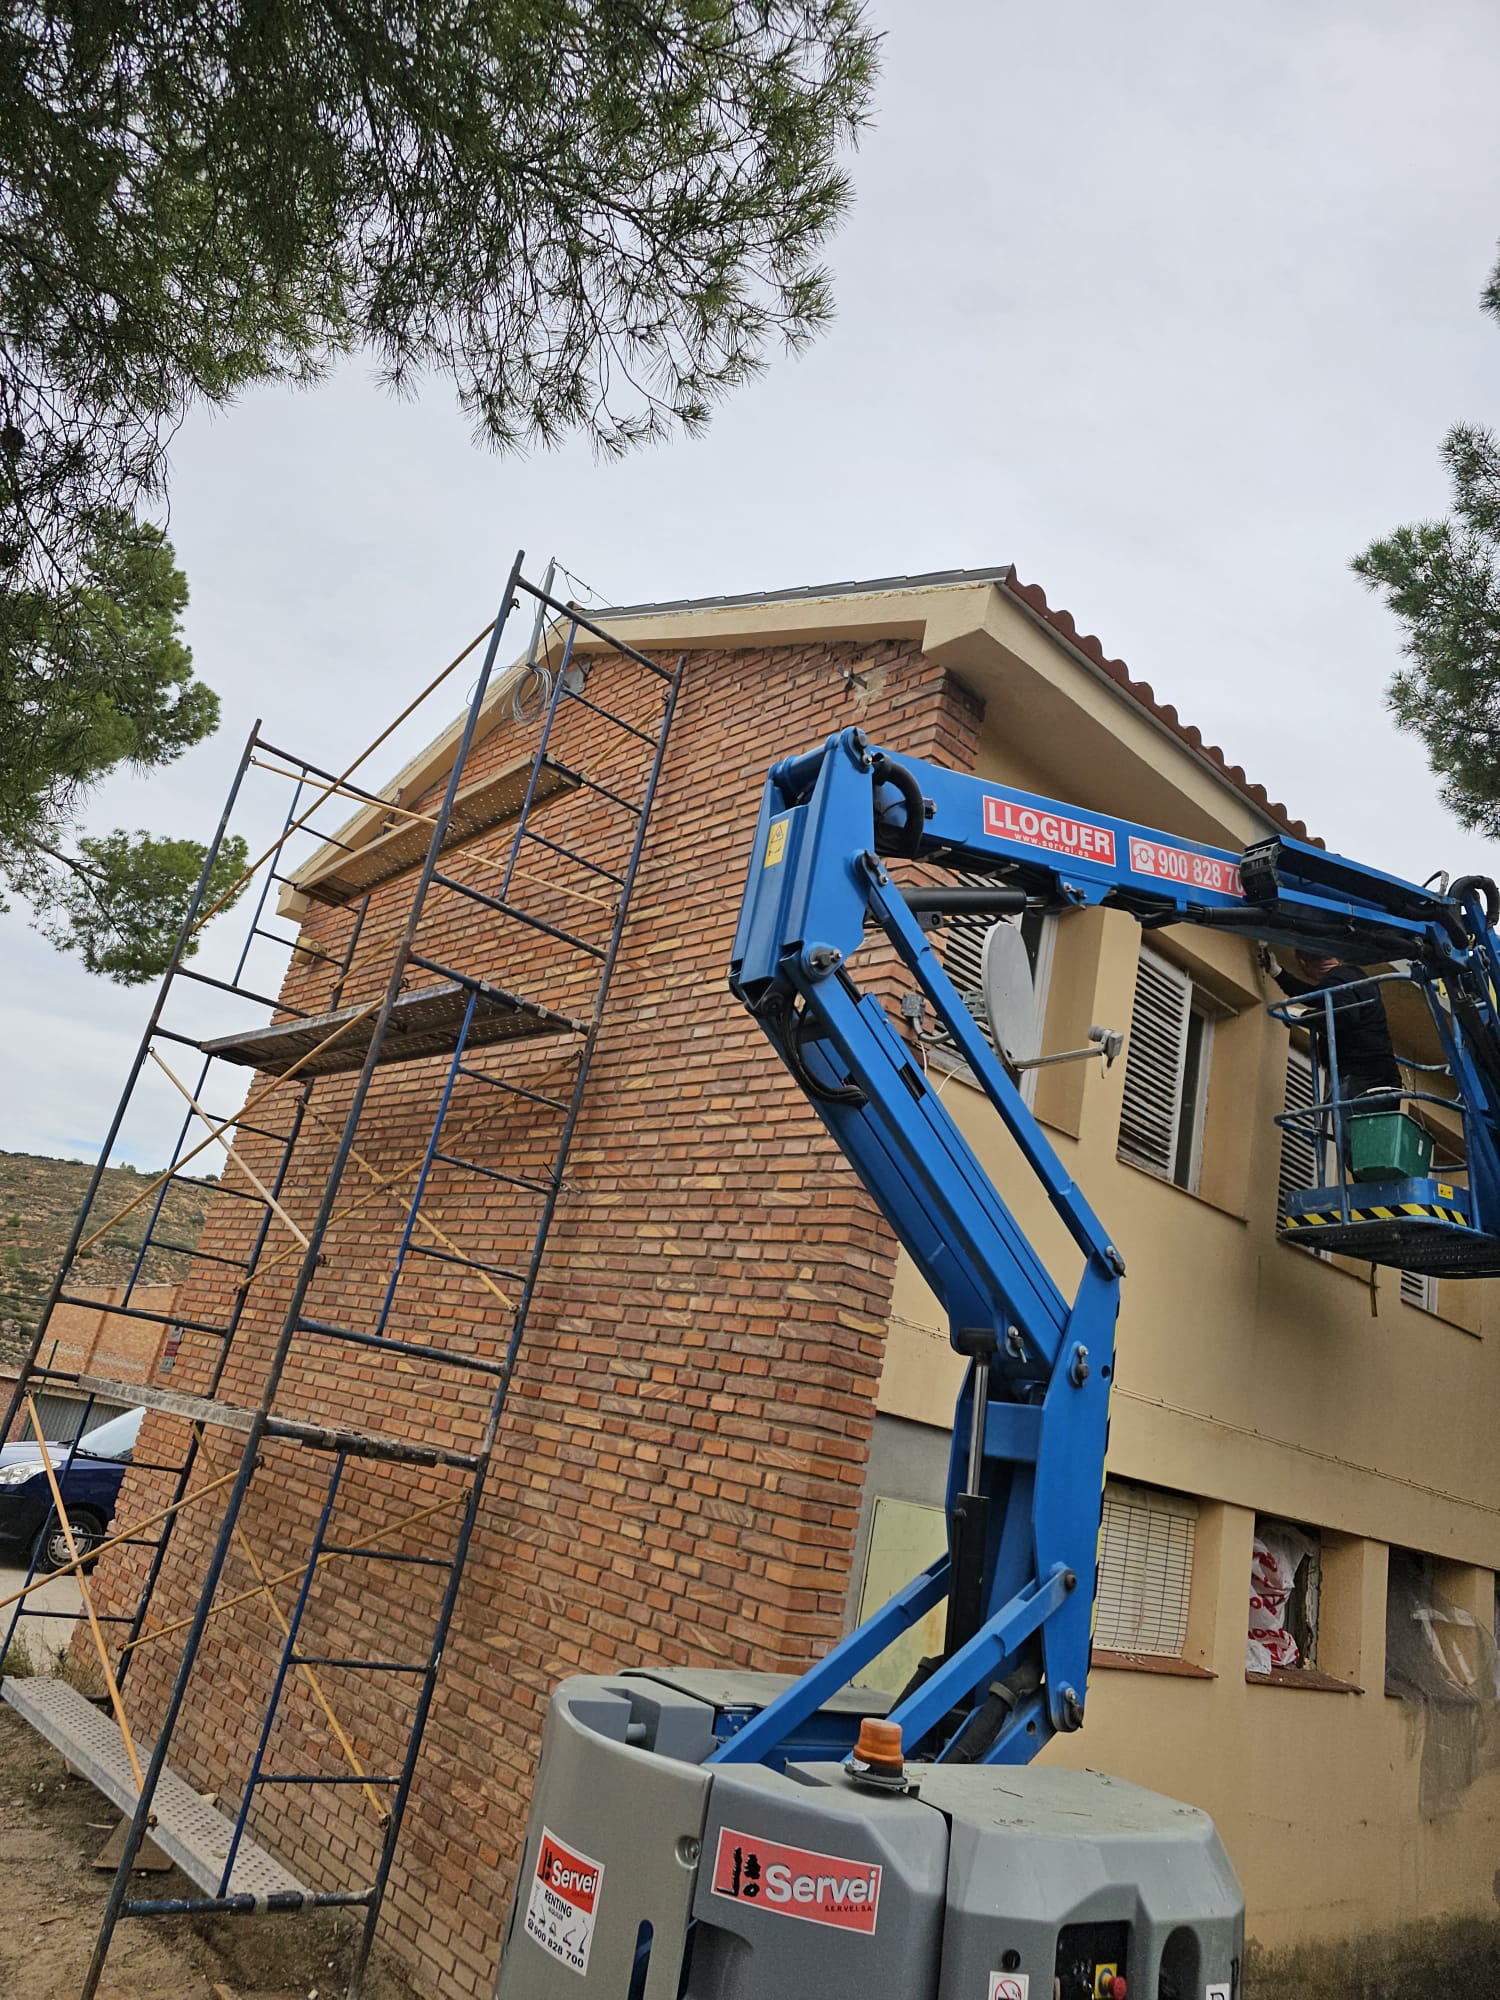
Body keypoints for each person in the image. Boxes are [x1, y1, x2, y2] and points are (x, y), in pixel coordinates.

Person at [1264, 947, 1402, 1111]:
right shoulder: (1351, 976)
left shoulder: (1337, 980)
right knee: (1375, 1127)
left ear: (1304, 963)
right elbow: (1315, 996)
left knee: (1353, 1126)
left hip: (1361, 1078)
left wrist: (1303, 1016)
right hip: (1382, 1076)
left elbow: (1343, 1017)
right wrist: (1277, 973)